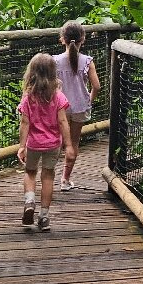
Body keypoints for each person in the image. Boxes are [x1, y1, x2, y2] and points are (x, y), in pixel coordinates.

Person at [17, 53, 71, 231]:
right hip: (53, 144)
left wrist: (21, 147)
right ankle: (44, 216)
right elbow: (63, 121)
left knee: (30, 172)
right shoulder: (58, 97)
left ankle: (30, 200)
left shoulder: (28, 98)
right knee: (48, 176)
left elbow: (25, 123)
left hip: (33, 144)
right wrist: (69, 145)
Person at [53, 20, 101, 191]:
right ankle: (65, 181)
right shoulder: (88, 61)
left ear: (62, 39)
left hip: (60, 109)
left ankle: (48, 178)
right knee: (73, 143)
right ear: (83, 39)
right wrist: (89, 100)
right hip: (80, 106)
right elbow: (96, 86)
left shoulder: (54, 61)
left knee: (57, 141)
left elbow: (51, 86)